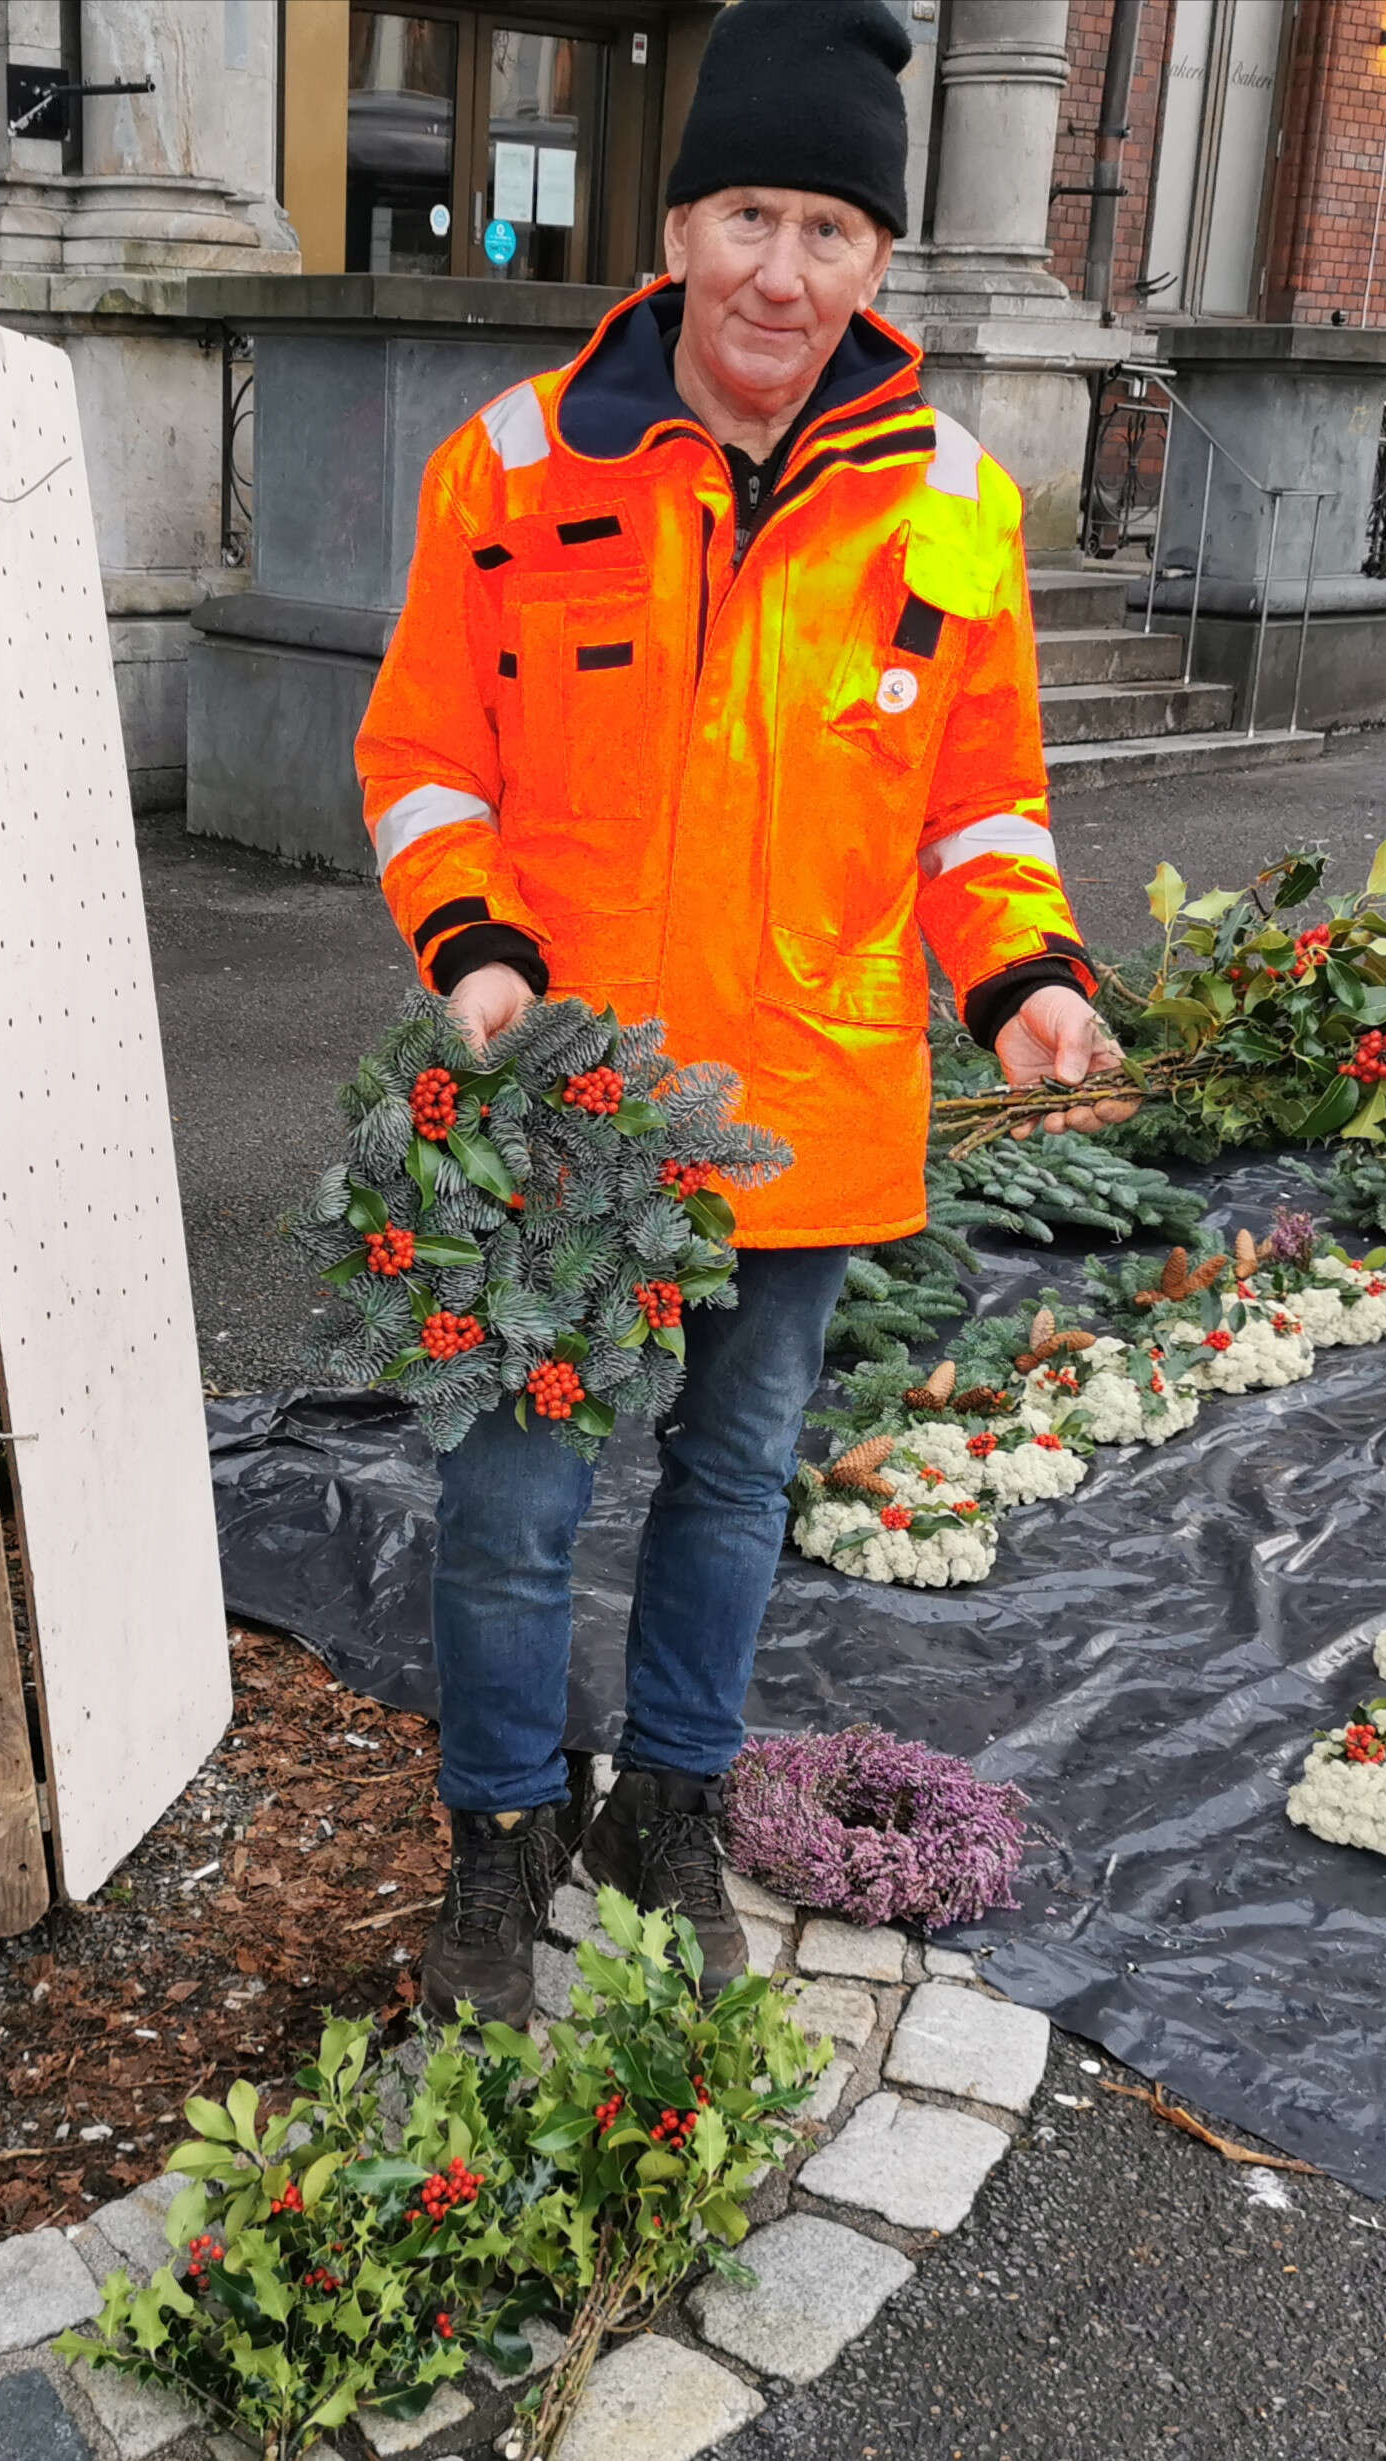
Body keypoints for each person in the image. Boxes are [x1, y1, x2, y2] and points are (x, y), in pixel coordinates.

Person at [354, 0, 1134, 2025]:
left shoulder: (953, 502)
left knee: (731, 1477)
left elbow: (979, 806)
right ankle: (500, 1830)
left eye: (828, 229)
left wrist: (1025, 980)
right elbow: (423, 757)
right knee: (512, 1500)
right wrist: (477, 953)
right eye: (748, 218)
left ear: (879, 257)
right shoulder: (513, 465)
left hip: (804, 1100)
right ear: (677, 228)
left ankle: (670, 1808)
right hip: (564, 1101)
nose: (781, 272)